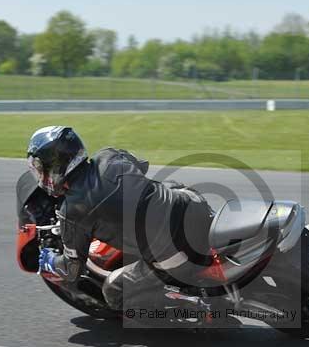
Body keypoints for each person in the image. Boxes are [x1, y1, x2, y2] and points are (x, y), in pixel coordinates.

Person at [25, 125, 213, 312]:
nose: (40, 175)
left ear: (55, 166)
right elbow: (141, 167)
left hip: (178, 257)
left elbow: (71, 271)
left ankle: (192, 308)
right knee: (167, 186)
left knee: (113, 291)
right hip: (197, 207)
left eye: (40, 168)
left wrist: (48, 260)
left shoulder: (72, 213)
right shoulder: (109, 155)